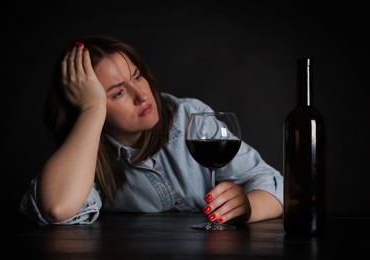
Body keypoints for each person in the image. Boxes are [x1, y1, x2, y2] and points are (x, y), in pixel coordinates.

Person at [20, 34, 283, 225]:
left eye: (137, 76)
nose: (142, 96)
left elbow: (276, 185)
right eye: (118, 92)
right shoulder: (88, 155)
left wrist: (247, 208)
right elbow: (57, 208)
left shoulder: (189, 117)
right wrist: (91, 111)